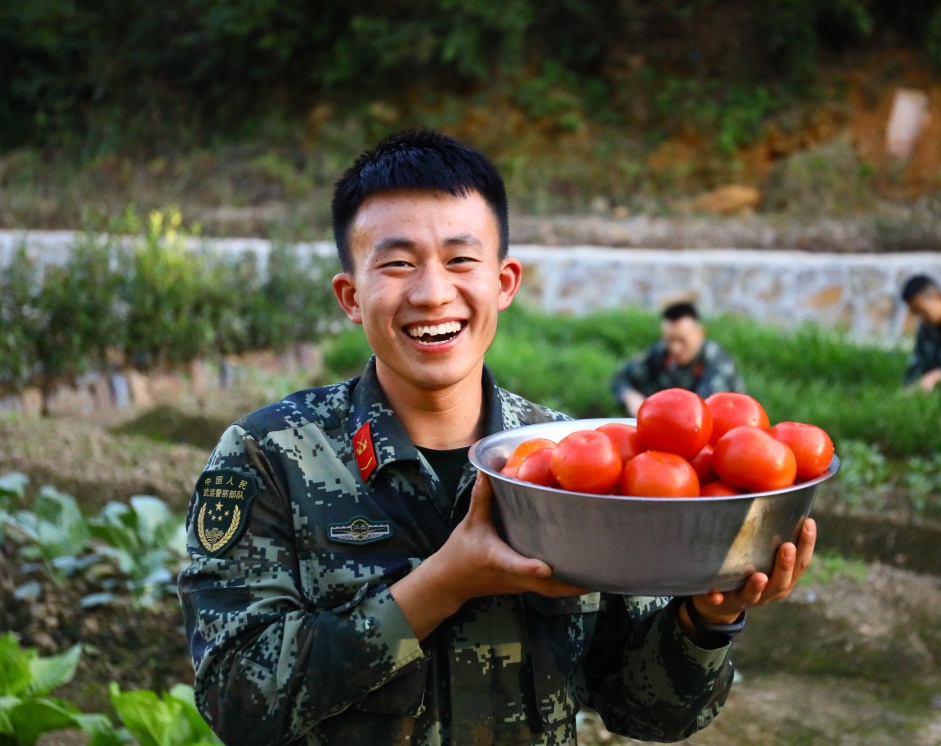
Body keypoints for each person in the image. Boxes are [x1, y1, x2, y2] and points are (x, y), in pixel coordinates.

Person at [177, 129, 816, 745]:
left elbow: (645, 710)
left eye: (460, 260)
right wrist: (443, 584)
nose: (432, 293)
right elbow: (236, 700)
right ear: (350, 295)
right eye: (397, 264)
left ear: (504, 282)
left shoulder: (571, 467)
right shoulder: (271, 455)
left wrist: (706, 619)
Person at [611, 301, 746, 417]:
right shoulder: (661, 353)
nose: (675, 348)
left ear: (700, 333)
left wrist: (651, 409)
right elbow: (620, 378)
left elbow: (698, 410)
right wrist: (630, 397)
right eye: (669, 340)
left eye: (682, 340)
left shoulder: (717, 361)